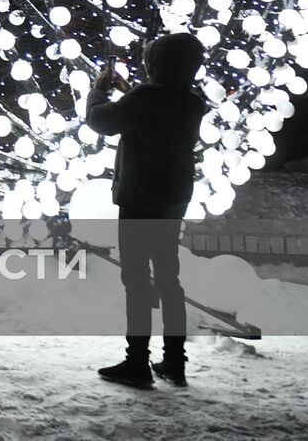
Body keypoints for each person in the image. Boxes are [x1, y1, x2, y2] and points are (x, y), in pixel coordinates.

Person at [86, 33, 206, 389]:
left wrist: (99, 91)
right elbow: (155, 118)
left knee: (136, 282)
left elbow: (100, 121)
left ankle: (137, 362)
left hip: (140, 198)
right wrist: (132, 93)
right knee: (170, 282)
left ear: (155, 63)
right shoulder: (190, 101)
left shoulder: (147, 97)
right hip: (173, 198)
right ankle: (174, 362)